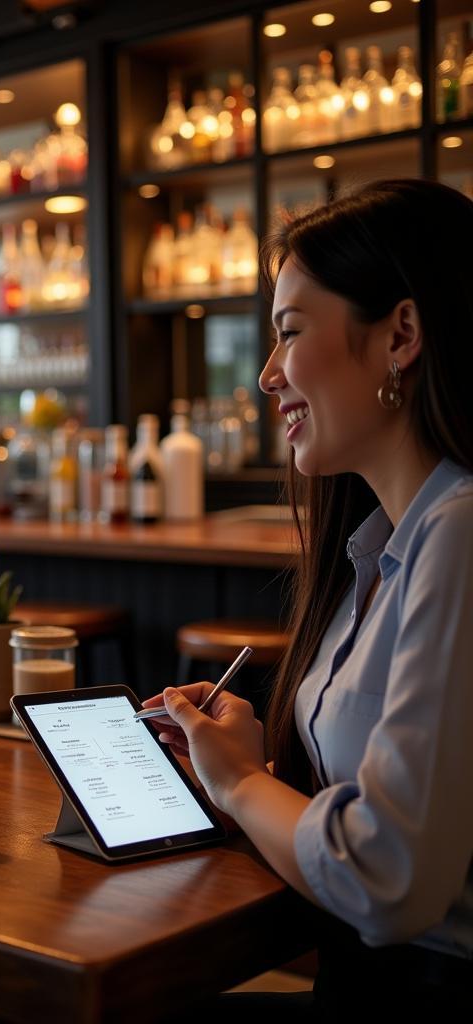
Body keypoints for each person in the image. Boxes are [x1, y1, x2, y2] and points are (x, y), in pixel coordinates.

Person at [142, 179, 473, 1019]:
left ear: (401, 333)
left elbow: (390, 880)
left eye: (289, 332)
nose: (266, 375)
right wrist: (264, 768)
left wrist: (244, 784)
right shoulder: (378, 546)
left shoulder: (460, 532)